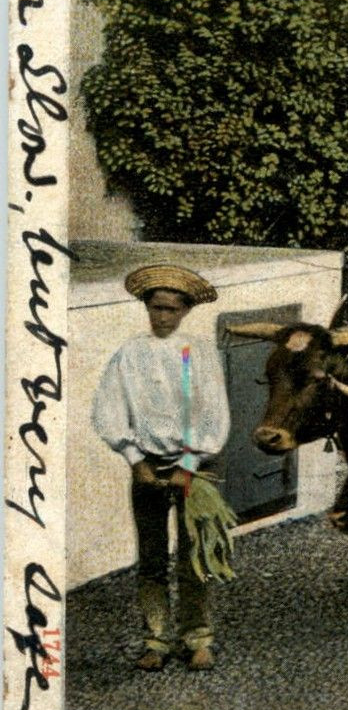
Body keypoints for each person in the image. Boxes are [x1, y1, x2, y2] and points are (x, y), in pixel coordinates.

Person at [92, 264, 231, 672]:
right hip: (148, 466)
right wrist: (134, 459)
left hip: (196, 465)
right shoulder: (130, 353)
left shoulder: (198, 352)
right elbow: (109, 408)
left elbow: (213, 414)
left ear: (185, 311)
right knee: (152, 557)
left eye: (172, 309)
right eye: (156, 307)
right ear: (146, 307)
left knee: (194, 556)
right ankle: (156, 638)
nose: (163, 316)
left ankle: (197, 637)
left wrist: (189, 463)